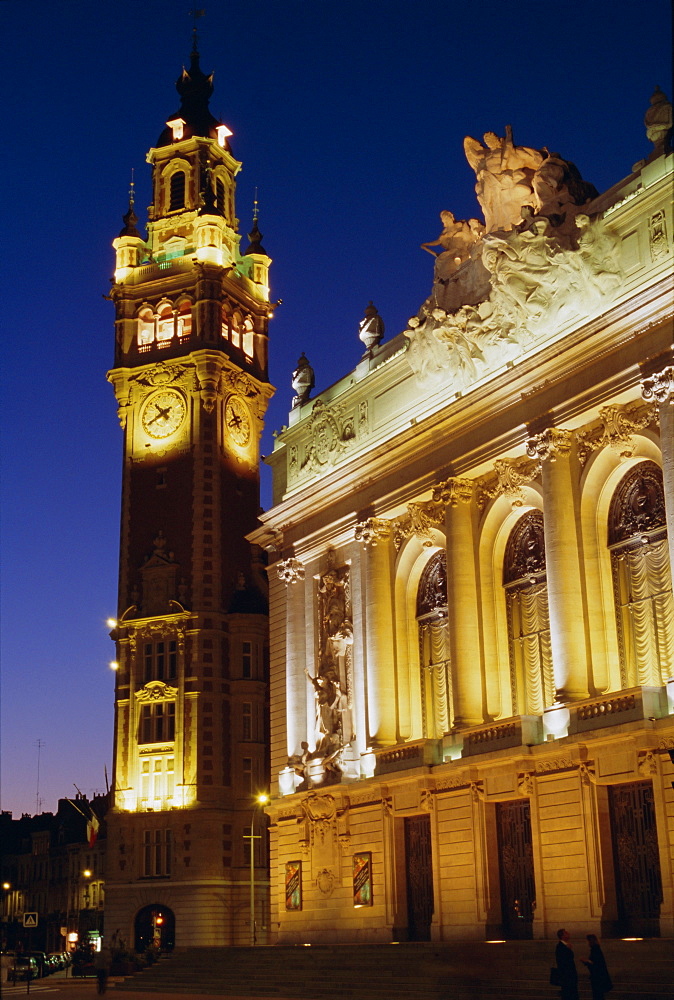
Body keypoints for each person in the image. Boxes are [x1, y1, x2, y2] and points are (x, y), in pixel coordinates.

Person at [582, 934, 613, 999]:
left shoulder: (595, 949)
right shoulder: (596, 948)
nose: (586, 942)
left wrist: (586, 961)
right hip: (599, 977)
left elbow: (595, 964)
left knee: (597, 995)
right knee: (599, 995)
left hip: (597, 978)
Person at [555, 928, 579, 1000]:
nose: (568, 933)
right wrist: (568, 949)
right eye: (566, 933)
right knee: (569, 994)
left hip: (569, 975)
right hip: (567, 976)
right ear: (562, 936)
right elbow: (564, 961)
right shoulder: (561, 947)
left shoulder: (565, 946)